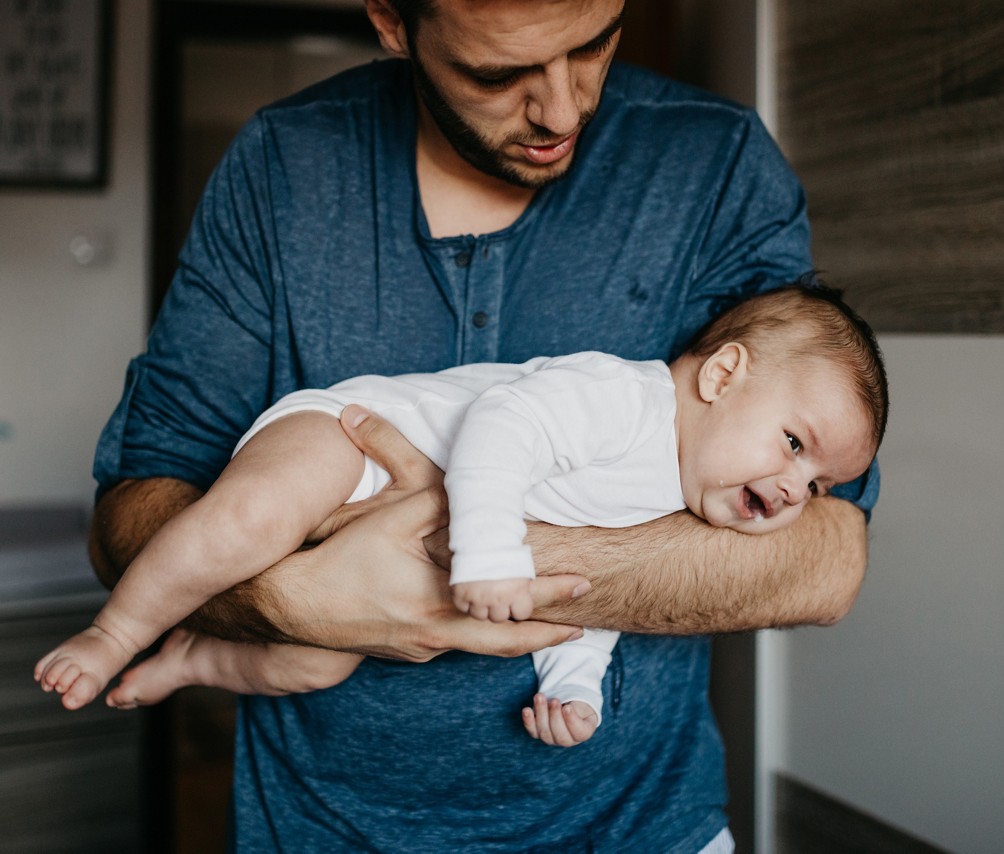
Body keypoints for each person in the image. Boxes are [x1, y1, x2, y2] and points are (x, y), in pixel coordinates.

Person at [87, 0, 882, 848]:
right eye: (498, 73)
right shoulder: (284, 166)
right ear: (393, 21)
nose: (565, 109)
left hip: (641, 828)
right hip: (327, 829)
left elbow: (822, 562)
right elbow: (130, 524)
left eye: (593, 44)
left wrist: (451, 557)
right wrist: (294, 600)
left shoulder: (713, 163)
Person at [39, 285, 887, 750]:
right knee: (250, 518)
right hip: (349, 441)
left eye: (817, 485)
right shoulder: (623, 398)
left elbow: (590, 601)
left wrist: (575, 686)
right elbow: (503, 429)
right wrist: (484, 550)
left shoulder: (677, 494)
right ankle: (118, 633)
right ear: (722, 374)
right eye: (793, 443)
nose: (791, 487)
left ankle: (196, 658)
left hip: (373, 519)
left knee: (316, 667)